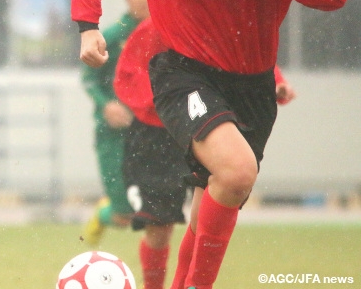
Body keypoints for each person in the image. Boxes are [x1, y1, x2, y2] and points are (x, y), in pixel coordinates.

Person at [71, 0, 345, 288]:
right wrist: (86, 25)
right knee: (236, 172)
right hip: (183, 73)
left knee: (214, 200)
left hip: (252, 84)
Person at [115, 17, 295, 289]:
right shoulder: (156, 25)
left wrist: (276, 80)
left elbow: (241, 56)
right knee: (159, 222)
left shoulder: (214, 15)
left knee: (203, 213)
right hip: (157, 136)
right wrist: (168, 104)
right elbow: (126, 76)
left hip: (203, 127)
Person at [81, 0, 149, 246]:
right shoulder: (112, 35)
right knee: (124, 215)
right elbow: (88, 78)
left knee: (156, 211)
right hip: (114, 133)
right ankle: (104, 214)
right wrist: (106, 105)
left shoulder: (167, 34)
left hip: (152, 133)